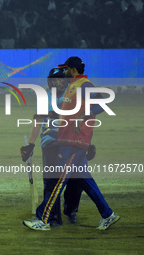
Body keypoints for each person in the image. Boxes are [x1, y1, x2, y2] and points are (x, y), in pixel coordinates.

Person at [23, 56, 120, 231]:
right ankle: (108, 214)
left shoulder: (83, 85)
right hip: (68, 140)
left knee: (58, 181)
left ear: (73, 70)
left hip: (74, 141)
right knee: (85, 180)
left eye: (66, 69)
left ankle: (43, 219)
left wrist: (83, 116)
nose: (64, 72)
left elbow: (103, 103)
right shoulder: (73, 86)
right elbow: (65, 115)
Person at [20, 68, 83, 226]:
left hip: (69, 142)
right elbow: (38, 120)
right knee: (50, 180)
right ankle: (53, 218)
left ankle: (70, 209)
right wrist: (31, 144)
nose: (56, 82)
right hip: (49, 142)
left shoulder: (72, 95)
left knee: (75, 179)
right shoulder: (44, 96)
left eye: (60, 79)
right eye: (53, 79)